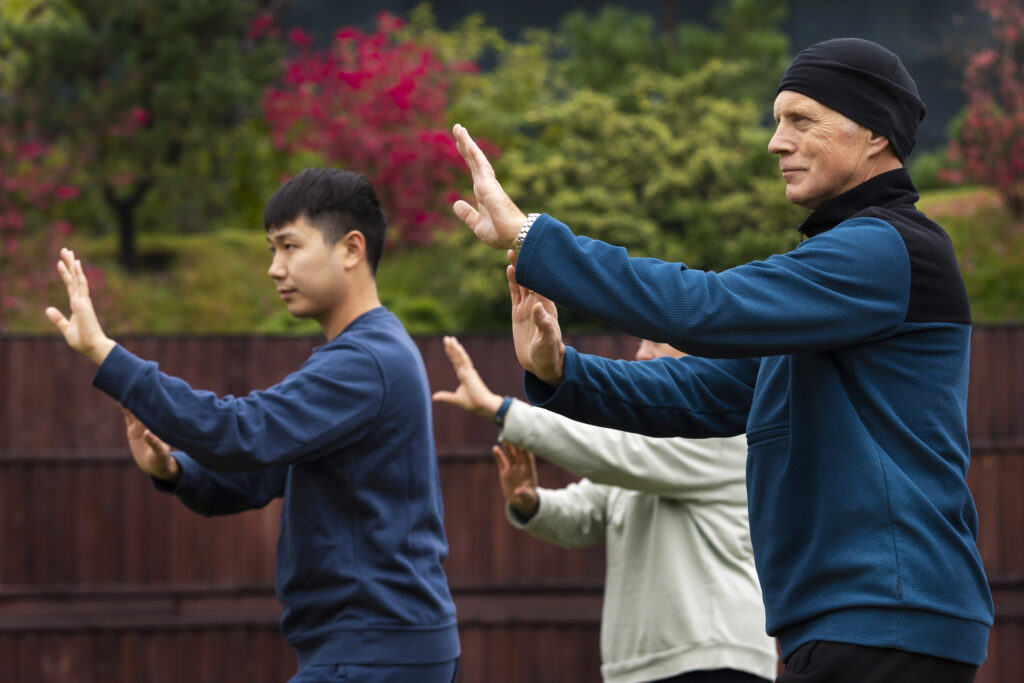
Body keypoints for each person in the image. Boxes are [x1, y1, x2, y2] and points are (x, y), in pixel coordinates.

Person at [450, 38, 992, 682]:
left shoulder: (887, 250)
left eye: (800, 120)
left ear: (873, 132)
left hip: (888, 615)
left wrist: (533, 237)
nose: (776, 142)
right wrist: (560, 371)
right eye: (776, 122)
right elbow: (704, 393)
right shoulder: (845, 274)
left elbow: (704, 306)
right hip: (850, 620)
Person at [45, 168, 460, 683]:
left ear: (351, 249)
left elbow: (239, 431)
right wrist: (176, 469)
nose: (273, 268)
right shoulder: (361, 355)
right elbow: (262, 472)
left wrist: (105, 354)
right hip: (374, 648)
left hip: (374, 651)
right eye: (271, 249)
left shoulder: (366, 362)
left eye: (289, 246)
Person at [433, 335, 778, 683]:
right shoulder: (648, 446)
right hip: (640, 664)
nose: (640, 354)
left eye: (655, 344)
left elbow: (609, 448)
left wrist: (501, 409)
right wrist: (531, 502)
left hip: (717, 656)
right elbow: (586, 513)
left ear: (699, 355)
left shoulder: (719, 435)